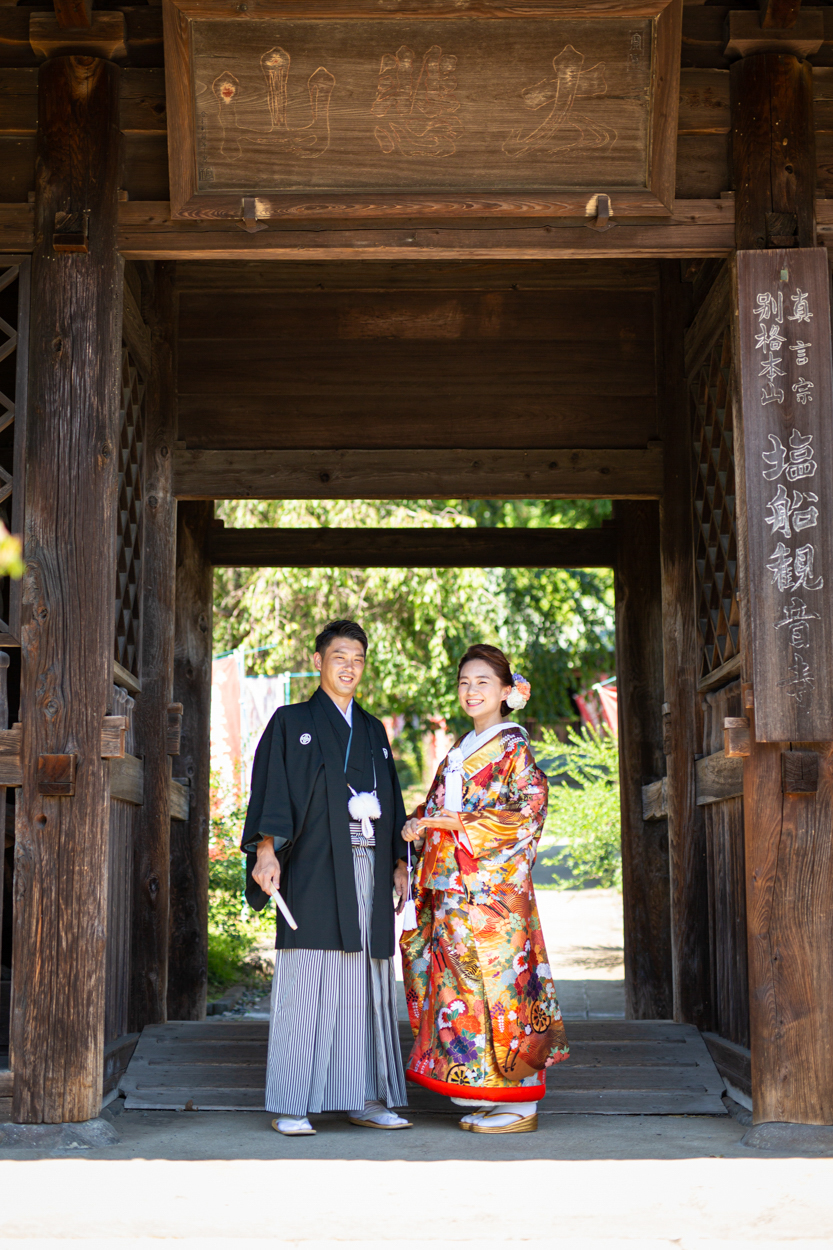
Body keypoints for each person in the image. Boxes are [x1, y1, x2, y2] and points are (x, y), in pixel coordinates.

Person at [241, 619, 412, 1136]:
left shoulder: (374, 729)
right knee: (310, 979)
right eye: (340, 657)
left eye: (358, 659)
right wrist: (265, 851)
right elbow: (271, 790)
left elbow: (392, 798)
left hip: (369, 868)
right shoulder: (291, 722)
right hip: (313, 869)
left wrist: (399, 862)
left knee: (367, 981)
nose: (349, 667)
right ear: (318, 661)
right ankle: (293, 1103)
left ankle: (367, 1097)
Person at [400, 644, 569, 1133]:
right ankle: (492, 1094)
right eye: (464, 683)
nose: (471, 691)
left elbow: (531, 807)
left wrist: (464, 824)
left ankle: (522, 1103)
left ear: (505, 691)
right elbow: (436, 808)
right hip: (454, 892)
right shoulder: (460, 749)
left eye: (483, 683)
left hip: (493, 896)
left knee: (503, 992)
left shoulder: (512, 747)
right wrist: (417, 825)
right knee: (465, 995)